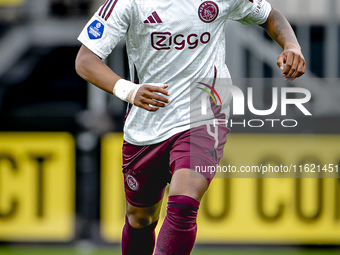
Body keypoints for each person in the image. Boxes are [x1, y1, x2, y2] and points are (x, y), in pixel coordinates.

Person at [75, 0, 306, 254]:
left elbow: (268, 14)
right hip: (147, 125)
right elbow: (85, 60)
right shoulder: (127, 3)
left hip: (204, 114)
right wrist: (130, 91)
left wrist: (291, 45)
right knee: (140, 218)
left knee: (184, 203)